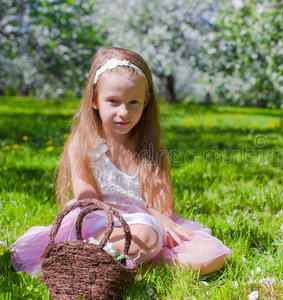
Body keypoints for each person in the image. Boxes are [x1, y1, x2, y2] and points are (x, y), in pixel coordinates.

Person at [10, 47, 230, 277]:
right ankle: (92, 257)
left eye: (133, 102)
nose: (123, 112)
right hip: (99, 223)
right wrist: (137, 223)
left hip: (149, 224)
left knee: (211, 252)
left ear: (145, 103)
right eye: (113, 101)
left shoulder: (152, 148)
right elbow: (88, 201)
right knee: (144, 236)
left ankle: (126, 265)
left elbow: (163, 207)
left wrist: (157, 218)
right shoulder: (83, 143)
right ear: (94, 100)